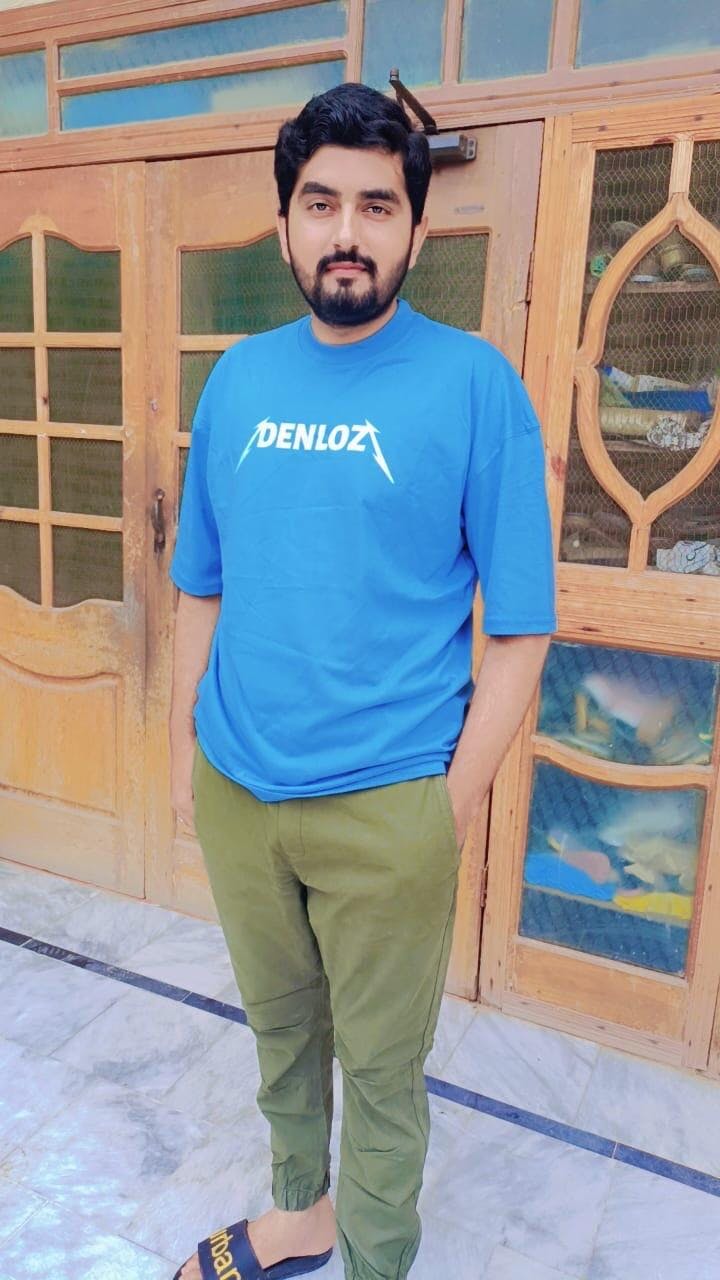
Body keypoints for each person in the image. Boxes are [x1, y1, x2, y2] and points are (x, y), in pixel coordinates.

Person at [169, 81, 556, 1280]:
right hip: (241, 787)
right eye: (321, 202)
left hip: (390, 801)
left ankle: (377, 1258)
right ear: (285, 224)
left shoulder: (475, 385)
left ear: (416, 231)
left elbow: (521, 630)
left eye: (377, 206)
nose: (348, 231)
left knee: (383, 1069)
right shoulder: (237, 381)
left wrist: (444, 806)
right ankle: (302, 1211)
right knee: (282, 1032)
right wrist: (191, 753)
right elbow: (201, 586)